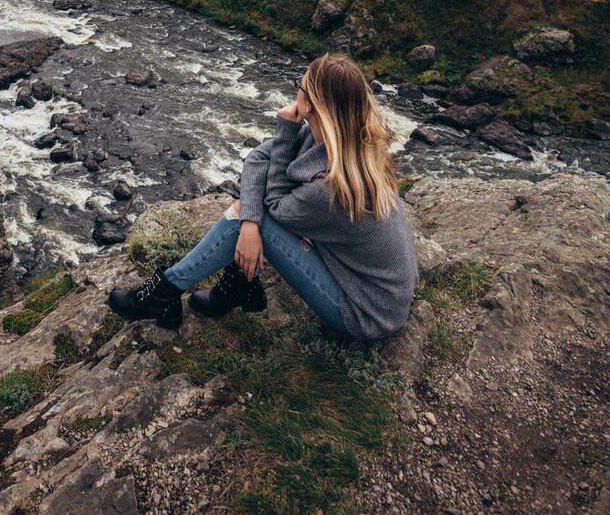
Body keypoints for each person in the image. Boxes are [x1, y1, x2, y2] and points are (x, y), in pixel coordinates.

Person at [108, 53, 418, 340]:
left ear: (311, 105)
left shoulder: (331, 186)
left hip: (366, 313)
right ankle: (236, 288)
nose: (296, 91)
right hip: (372, 289)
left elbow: (276, 208)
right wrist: (252, 222)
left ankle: (165, 292)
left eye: (301, 86)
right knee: (251, 220)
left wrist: (250, 223)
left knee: (247, 220)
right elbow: (257, 159)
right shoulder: (340, 138)